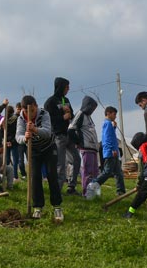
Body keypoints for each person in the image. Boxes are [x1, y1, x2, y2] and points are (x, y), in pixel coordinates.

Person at [17, 95, 63, 223]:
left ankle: (57, 206)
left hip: (49, 148)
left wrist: (35, 129)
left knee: (51, 174)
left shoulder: (44, 114)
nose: (30, 114)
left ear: (36, 107)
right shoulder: (21, 118)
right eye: (27, 111)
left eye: (32, 110)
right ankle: (37, 207)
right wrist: (25, 138)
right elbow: (18, 136)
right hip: (33, 150)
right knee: (34, 176)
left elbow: (47, 132)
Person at [44, 77, 79, 192]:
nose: (68, 89)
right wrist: (62, 117)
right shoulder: (50, 102)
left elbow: (72, 115)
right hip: (58, 136)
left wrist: (69, 113)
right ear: (60, 87)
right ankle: (57, 191)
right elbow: (48, 119)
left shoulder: (66, 100)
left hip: (68, 134)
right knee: (60, 164)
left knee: (76, 159)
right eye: (66, 87)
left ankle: (71, 186)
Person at [92, 106, 125, 195]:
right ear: (108, 113)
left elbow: (110, 135)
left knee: (118, 173)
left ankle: (121, 191)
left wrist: (114, 128)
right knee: (107, 172)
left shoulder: (109, 124)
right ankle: (93, 184)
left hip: (114, 152)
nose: (115, 116)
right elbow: (107, 139)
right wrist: (111, 150)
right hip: (111, 152)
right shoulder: (107, 123)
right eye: (114, 114)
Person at [70, 96, 101, 190]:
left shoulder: (89, 117)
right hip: (86, 148)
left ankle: (93, 193)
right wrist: (78, 142)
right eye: (92, 107)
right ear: (87, 105)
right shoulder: (80, 114)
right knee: (88, 171)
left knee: (95, 172)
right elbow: (71, 129)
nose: (93, 110)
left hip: (93, 148)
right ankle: (86, 192)